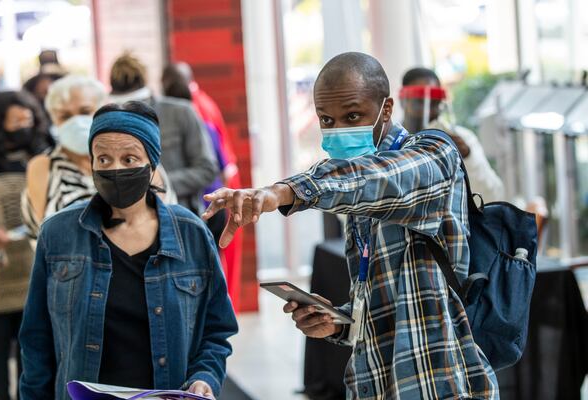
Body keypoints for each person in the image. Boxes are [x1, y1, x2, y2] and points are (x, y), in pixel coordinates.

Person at [203, 52, 499, 399]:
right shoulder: (357, 195)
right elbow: (381, 305)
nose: (338, 130)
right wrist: (338, 322)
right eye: (327, 120)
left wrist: (278, 193)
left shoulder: (433, 154)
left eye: (353, 115)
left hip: (439, 384)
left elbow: (377, 179)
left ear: (386, 109)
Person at [18, 101, 238, 400]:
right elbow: (36, 339)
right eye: (104, 159)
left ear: (152, 164)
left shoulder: (190, 233)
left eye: (129, 158)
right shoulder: (58, 233)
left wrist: (205, 377)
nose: (116, 169)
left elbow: (216, 330)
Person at [21, 74, 176, 239]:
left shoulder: (139, 157)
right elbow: (46, 234)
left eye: (85, 111)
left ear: (104, 109)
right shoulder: (44, 166)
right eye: (65, 116)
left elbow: (164, 216)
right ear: (54, 119)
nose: (76, 122)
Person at [162, 62, 243, 310]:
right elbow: (224, 163)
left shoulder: (195, 115)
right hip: (209, 203)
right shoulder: (201, 112)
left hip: (204, 205)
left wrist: (164, 182)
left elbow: (218, 166)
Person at [0, 91, 48, 400]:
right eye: (15, 121)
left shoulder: (43, 158)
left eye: (27, 120)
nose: (23, 126)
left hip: (35, 264)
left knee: (32, 344)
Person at [109, 53, 218, 214]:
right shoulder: (108, 121)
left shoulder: (180, 112)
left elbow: (206, 169)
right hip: (127, 223)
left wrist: (154, 183)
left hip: (179, 218)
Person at [401, 67, 504, 202]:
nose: (429, 111)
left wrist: (467, 157)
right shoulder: (391, 141)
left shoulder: (462, 138)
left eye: (434, 103)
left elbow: (493, 195)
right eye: (421, 103)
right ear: (403, 101)